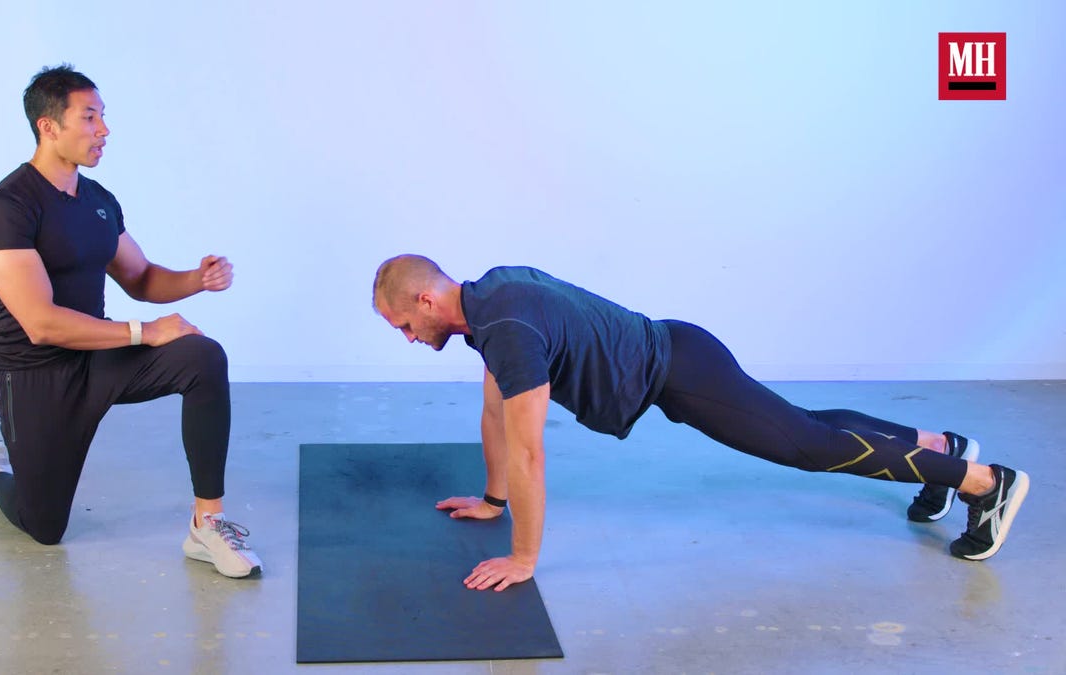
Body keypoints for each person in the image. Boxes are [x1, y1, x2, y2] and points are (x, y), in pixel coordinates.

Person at [371, 254, 1030, 592]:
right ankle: (944, 448)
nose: (406, 336)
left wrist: (522, 556)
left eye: (404, 323)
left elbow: (530, 452)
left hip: (683, 372)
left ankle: (983, 482)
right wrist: (492, 502)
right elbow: (493, 411)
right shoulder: (491, 299)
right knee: (802, 424)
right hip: (681, 359)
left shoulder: (504, 330)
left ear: (428, 298)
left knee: (806, 445)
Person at [0, 64, 260, 578]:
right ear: (49, 126)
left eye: (103, 116)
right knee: (45, 526)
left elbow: (142, 277)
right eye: (89, 117)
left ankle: (207, 523)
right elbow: (41, 323)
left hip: (98, 358)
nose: (103, 129)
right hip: (33, 373)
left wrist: (197, 278)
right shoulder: (6, 208)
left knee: (202, 356)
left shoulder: (100, 202)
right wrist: (145, 332)